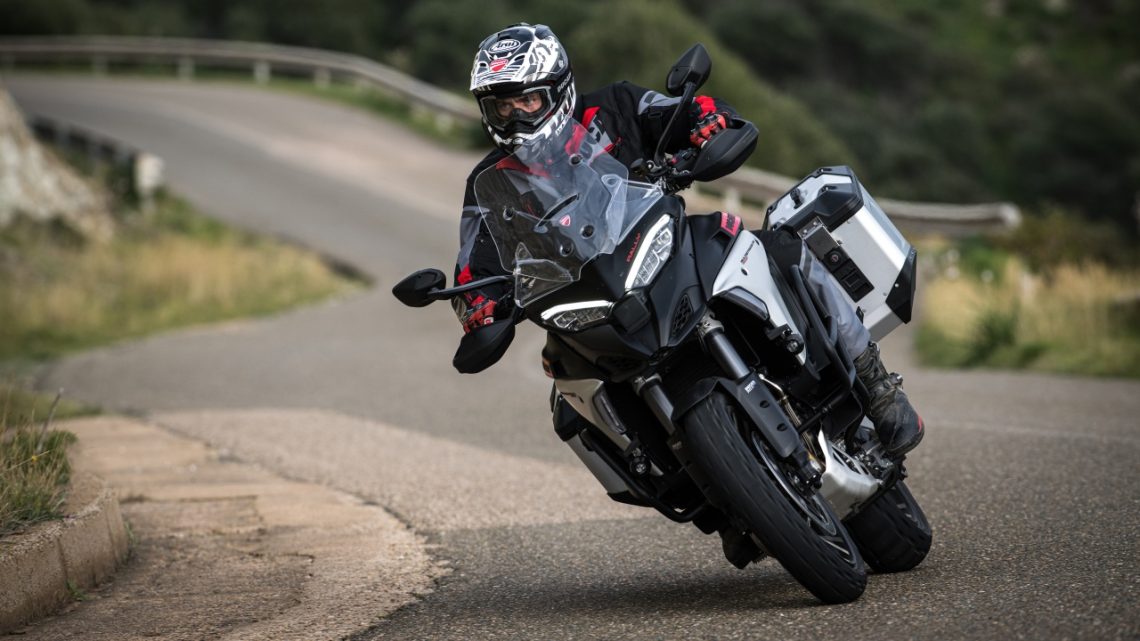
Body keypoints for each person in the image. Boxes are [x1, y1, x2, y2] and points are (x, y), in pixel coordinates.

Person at [452, 24, 923, 459]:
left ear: (557, 90)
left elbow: (679, 111)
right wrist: (478, 306)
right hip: (587, 302)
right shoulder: (489, 183)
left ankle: (876, 385)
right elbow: (474, 266)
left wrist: (708, 122)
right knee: (571, 398)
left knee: (778, 250)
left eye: (527, 100)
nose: (515, 115)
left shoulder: (612, 106)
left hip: (661, 249)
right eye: (502, 107)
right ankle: (675, 477)